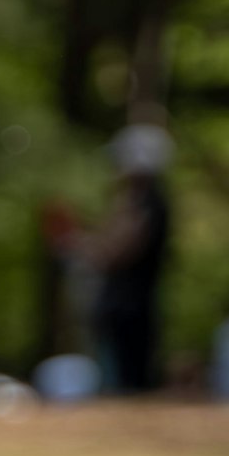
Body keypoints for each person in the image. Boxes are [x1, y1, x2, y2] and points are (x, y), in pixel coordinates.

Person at [94, 124, 174, 391]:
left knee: (127, 379)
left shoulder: (148, 204)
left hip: (129, 307)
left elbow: (117, 251)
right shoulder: (139, 202)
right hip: (128, 305)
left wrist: (88, 249)